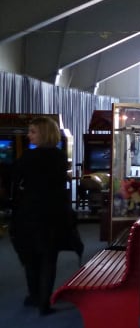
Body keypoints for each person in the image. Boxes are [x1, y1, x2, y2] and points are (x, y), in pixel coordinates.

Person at [10, 116, 74, 315]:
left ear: (44, 133)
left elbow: (14, 181)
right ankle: (44, 303)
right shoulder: (60, 157)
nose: (28, 135)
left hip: (28, 213)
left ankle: (34, 296)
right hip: (53, 214)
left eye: (33, 131)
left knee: (30, 257)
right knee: (48, 258)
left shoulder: (28, 157)